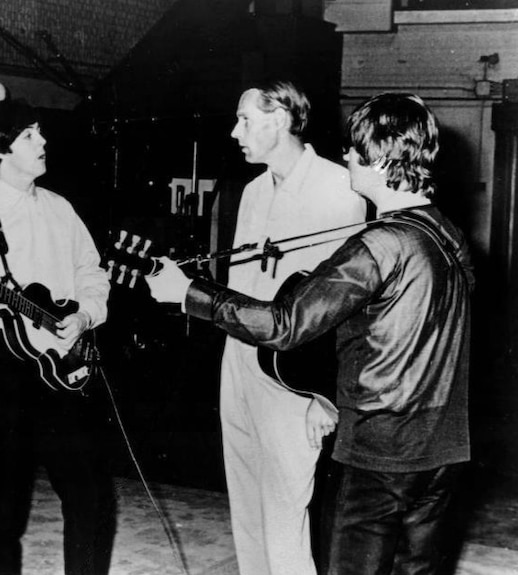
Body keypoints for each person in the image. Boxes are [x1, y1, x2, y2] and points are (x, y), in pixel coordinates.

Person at [146, 92, 472, 575]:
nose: (346, 157)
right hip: (440, 449)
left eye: (355, 149)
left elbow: (284, 323)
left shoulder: (378, 244)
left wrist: (189, 293)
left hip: (379, 452)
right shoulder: (448, 234)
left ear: (381, 159)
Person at [0, 81, 114, 575]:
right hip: (0, 373)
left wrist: (83, 316)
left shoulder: (61, 208)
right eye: (31, 135)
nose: (43, 141)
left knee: (90, 494)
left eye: (40, 133)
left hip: (64, 367)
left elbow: (91, 274)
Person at [211, 80, 367, 575]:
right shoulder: (254, 190)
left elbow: (345, 310)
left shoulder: (339, 190)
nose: (236, 131)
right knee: (248, 508)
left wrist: (324, 396)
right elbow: (240, 288)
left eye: (246, 120)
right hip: (239, 363)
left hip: (293, 378)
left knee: (284, 516)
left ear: (279, 119)